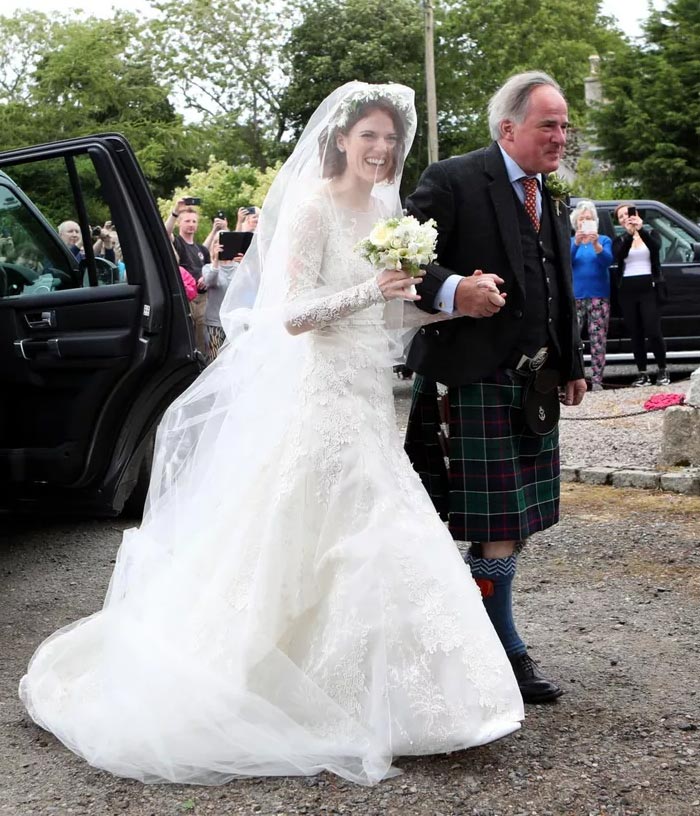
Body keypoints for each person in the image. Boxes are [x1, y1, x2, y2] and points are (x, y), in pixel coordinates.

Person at [19, 82, 523, 787]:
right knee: (318, 531)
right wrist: (370, 290)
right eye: (369, 136)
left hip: (368, 397)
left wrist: (454, 308)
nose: (381, 150)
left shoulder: (387, 210)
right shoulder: (314, 206)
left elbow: (386, 319)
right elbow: (289, 316)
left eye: (390, 139)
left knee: (379, 535)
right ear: (342, 139)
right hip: (320, 395)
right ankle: (283, 688)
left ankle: (402, 700)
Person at [404, 71, 587, 704]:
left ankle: (485, 639)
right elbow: (401, 264)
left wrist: (570, 361)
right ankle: (503, 650)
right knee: (493, 524)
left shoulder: (549, 194)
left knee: (510, 523)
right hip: (470, 376)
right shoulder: (453, 180)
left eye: (564, 125)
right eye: (549, 124)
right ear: (508, 129)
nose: (561, 135)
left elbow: (557, 283)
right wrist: (457, 290)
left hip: (532, 383)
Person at [612, 203, 669, 386]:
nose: (625, 218)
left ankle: (662, 369)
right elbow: (619, 255)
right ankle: (642, 373)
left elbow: (655, 248)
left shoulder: (651, 234)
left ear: (636, 214)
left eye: (628, 214)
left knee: (653, 330)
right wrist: (629, 236)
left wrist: (640, 229)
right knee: (635, 333)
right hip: (627, 291)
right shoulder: (620, 239)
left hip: (649, 289)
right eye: (621, 217)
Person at [570, 200, 613, 391]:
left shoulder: (603, 240)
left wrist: (596, 244)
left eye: (589, 218)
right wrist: (577, 243)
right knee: (572, 339)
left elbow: (607, 261)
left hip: (599, 296)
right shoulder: (571, 241)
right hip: (575, 296)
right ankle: (573, 377)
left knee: (597, 340)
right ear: (576, 222)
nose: (585, 221)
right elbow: (565, 263)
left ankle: (597, 381)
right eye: (582, 219)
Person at [165, 202, 211, 355]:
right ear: (179, 223)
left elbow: (210, 269)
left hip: (203, 296)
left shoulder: (202, 249)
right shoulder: (177, 242)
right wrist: (175, 213)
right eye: (187, 221)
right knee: (187, 332)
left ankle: (202, 365)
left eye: (194, 221)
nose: (191, 224)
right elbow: (165, 232)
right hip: (186, 296)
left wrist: (206, 278)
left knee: (201, 335)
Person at [200, 237, 243, 362]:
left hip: (234, 323)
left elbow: (249, 286)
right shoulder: (208, 268)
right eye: (217, 243)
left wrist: (245, 264)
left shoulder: (239, 267)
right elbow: (210, 282)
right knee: (214, 360)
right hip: (215, 323)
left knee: (233, 360)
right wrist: (216, 262)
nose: (221, 246)